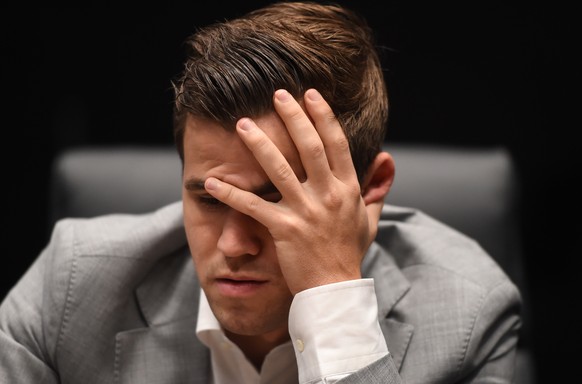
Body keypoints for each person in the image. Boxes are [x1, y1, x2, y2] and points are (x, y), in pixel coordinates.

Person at [0, 1, 522, 383]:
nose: (233, 245)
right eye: (209, 198)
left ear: (370, 189)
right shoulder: (71, 286)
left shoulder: (470, 315)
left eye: (277, 201)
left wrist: (333, 302)